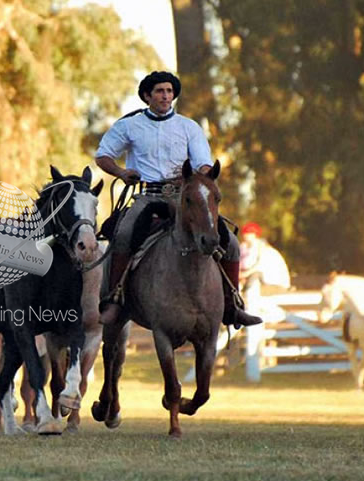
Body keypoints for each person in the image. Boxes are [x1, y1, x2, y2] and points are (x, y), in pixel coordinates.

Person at [95, 70, 261, 328]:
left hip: (183, 197)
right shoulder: (129, 126)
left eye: (169, 91)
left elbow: (204, 164)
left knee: (231, 243)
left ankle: (232, 304)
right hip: (147, 196)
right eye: (160, 91)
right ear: (147, 95)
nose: (165, 96)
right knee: (125, 233)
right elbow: (103, 155)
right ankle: (115, 300)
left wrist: (196, 177)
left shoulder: (188, 127)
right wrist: (121, 172)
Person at [239, 222, 291, 295]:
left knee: (254, 279)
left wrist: (243, 274)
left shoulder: (263, 248)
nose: (246, 236)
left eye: (249, 233)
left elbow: (257, 267)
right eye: (245, 233)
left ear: (255, 235)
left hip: (274, 284)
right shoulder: (244, 247)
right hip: (256, 282)